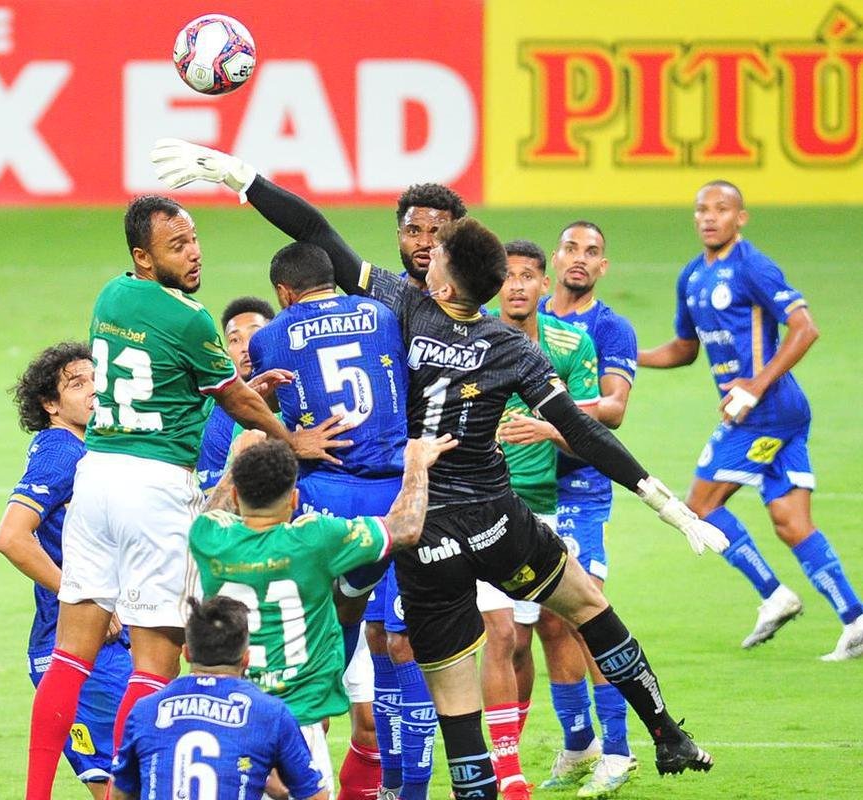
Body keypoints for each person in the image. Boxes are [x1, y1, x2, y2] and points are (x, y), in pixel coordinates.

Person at [151, 139, 728, 798]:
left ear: (446, 283)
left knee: (455, 700)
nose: (427, 256)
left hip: (421, 526)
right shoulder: (512, 346)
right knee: (590, 606)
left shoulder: (406, 304)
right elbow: (582, 430)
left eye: (439, 253)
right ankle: (666, 732)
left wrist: (243, 177)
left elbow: (315, 232)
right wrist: (668, 504)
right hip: (495, 518)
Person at [26, 195, 351, 800]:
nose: (195, 252)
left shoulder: (111, 297)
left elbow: (168, 387)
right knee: (155, 662)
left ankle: (34, 794)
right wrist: (292, 439)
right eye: (178, 246)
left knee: (69, 656)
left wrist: (237, 387)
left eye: (194, 238)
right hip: (153, 490)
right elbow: (237, 403)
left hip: (97, 476)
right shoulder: (191, 318)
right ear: (144, 257)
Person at [639, 180, 863, 661]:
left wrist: (756, 385)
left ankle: (774, 595)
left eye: (721, 209)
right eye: (702, 209)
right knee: (791, 522)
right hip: (775, 411)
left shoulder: (752, 266)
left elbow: (805, 327)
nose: (709, 217)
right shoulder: (692, 276)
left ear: (740, 218)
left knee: (699, 505)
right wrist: (625, 357)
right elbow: (683, 349)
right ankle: (856, 619)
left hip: (765, 413)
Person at [191, 432, 456, 800]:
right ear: (294, 499)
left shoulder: (208, 536)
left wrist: (238, 458)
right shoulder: (313, 540)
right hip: (297, 723)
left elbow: (214, 510)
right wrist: (416, 464)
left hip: (229, 720)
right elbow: (406, 528)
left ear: (237, 495)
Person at [247, 242, 409, 799]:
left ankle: (298, 748)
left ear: (284, 292)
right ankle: (404, 782)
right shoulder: (384, 314)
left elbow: (275, 413)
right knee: (396, 631)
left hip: (326, 490)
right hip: (395, 493)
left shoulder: (274, 334)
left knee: (313, 619)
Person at [506, 222, 641, 795]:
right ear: (553, 264)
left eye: (592, 252)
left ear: (602, 266)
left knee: (587, 617)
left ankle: (620, 749)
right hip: (525, 489)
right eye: (570, 249)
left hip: (581, 486)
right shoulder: (522, 321)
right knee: (546, 624)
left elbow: (613, 408)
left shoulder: (608, 328)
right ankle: (579, 742)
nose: (579, 259)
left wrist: (550, 414)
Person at [482, 239, 600, 800]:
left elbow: (591, 434)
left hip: (540, 508)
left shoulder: (569, 345)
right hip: (480, 505)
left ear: (544, 284)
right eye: (507, 276)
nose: (517, 285)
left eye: (527, 276)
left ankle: (521, 749)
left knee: (527, 637)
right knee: (501, 633)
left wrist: (548, 429)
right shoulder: (472, 338)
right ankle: (506, 771)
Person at [0, 343, 132, 799]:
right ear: (50, 404)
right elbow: (11, 537)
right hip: (79, 646)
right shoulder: (61, 451)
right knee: (127, 785)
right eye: (77, 384)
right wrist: (82, 595)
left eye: (96, 379)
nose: (94, 390)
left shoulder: (89, 450)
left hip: (101, 640)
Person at [367, 181, 467, 800]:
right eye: (413, 230)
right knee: (379, 638)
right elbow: (318, 237)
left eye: (438, 231)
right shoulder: (380, 298)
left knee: (408, 642)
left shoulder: (468, 303)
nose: (425, 242)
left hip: (437, 494)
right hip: (378, 489)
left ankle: (413, 791)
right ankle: (391, 784)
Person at [110, 595, 328, 800]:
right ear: (246, 658)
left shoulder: (146, 709)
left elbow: (120, 794)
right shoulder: (269, 713)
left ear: (187, 652)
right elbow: (315, 796)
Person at [197, 296, 277, 492]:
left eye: (255, 335)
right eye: (235, 339)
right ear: (226, 352)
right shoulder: (208, 413)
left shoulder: (296, 401)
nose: (245, 348)